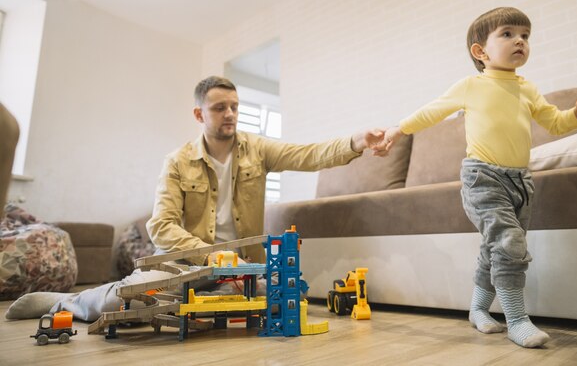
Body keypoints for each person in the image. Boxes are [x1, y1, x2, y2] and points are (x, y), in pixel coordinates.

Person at [5, 76, 385, 322]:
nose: (230, 114)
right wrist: (211, 256)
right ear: (199, 113)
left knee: (279, 298)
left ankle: (211, 296)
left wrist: (356, 142)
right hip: (186, 265)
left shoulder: (258, 149)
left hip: (243, 270)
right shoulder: (176, 161)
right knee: (132, 300)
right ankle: (67, 302)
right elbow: (161, 226)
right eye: (220, 107)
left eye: (234, 106)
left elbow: (309, 154)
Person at [370, 7, 577, 348]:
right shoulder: (471, 86)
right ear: (480, 51)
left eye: (525, 35)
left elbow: (555, 122)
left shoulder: (528, 89)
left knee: (494, 248)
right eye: (508, 34)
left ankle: (478, 310)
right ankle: (517, 320)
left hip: (521, 182)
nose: (519, 40)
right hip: (483, 177)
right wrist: (397, 129)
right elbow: (432, 110)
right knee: (509, 244)